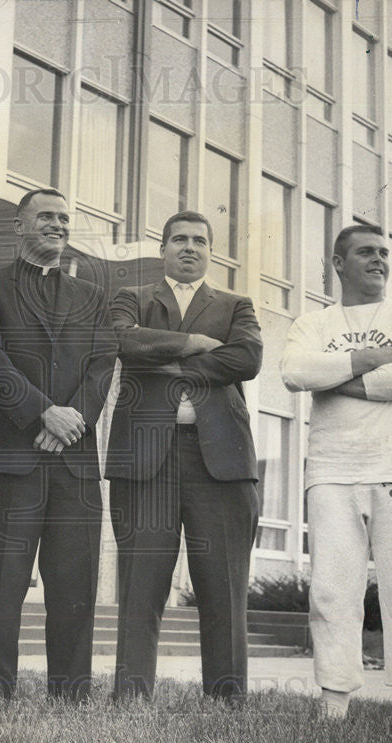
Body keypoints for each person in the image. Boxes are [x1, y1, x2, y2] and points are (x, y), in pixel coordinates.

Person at [280, 224, 392, 732]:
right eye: (366, 252)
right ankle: (335, 699)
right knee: (331, 588)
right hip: (333, 468)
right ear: (338, 263)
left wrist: (339, 379)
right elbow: (294, 373)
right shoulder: (313, 322)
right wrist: (369, 360)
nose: (379, 261)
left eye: (384, 253)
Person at [0, 188, 117, 701]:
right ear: (19, 227)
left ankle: (71, 694)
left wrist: (75, 418)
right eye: (45, 217)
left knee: (75, 584)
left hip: (75, 460)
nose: (57, 225)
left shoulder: (92, 295)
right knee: (4, 581)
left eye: (64, 218)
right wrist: (41, 412)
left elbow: (102, 365)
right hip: (13, 458)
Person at [106, 211, 262, 702]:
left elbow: (248, 360)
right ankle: (131, 698)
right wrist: (193, 344)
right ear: (163, 248)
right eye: (179, 239)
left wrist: (162, 362)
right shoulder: (133, 297)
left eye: (199, 240)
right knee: (140, 586)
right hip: (146, 460)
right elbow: (120, 340)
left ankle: (227, 698)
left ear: (210, 251)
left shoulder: (237, 304)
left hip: (220, 462)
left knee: (223, 588)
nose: (189, 247)